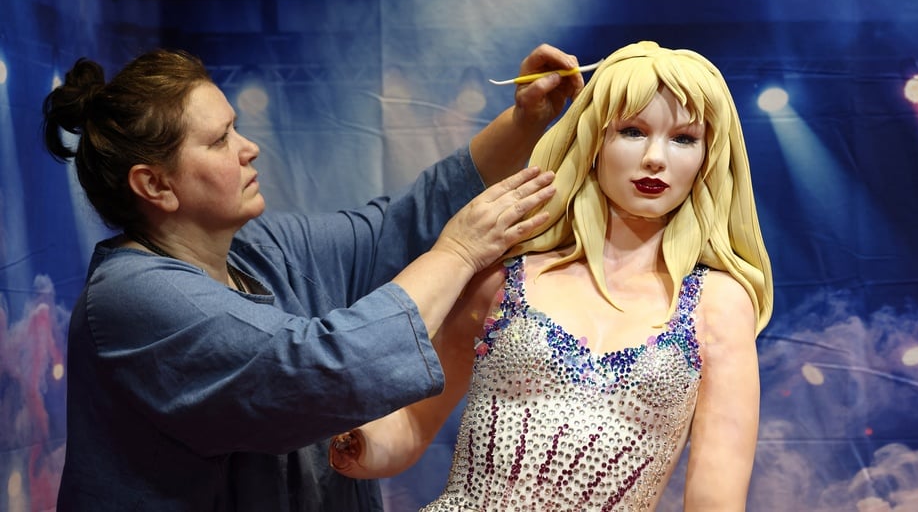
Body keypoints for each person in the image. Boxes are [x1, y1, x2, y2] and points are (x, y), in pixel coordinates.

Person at [41, 43, 584, 511]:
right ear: (154, 185)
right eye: (220, 139)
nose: (248, 147)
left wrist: (525, 119)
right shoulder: (130, 300)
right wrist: (462, 250)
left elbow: (397, 227)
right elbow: (315, 369)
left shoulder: (255, 249)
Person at [329, 40, 774, 511]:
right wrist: (349, 442)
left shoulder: (719, 303)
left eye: (684, 139)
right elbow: (416, 421)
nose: (655, 159)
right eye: (633, 131)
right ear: (594, 140)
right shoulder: (504, 278)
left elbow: (715, 496)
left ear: (708, 156)